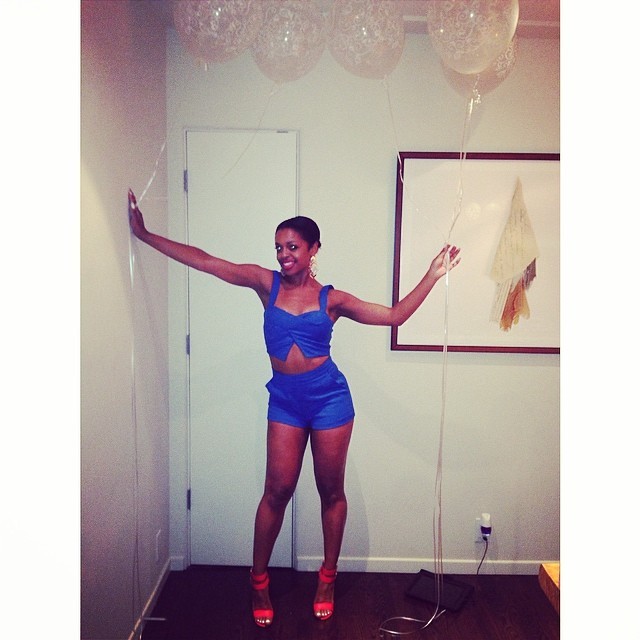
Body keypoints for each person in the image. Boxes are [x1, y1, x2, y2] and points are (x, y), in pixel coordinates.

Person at [127, 189, 460, 627]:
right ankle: (258, 580)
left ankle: (327, 579)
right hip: (285, 399)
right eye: (279, 248)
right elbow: (206, 261)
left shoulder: (332, 300)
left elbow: (394, 316)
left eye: (292, 247)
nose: (284, 255)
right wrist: (146, 234)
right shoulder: (264, 284)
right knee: (276, 491)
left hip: (330, 400)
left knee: (331, 491)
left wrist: (432, 275)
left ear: (314, 249)